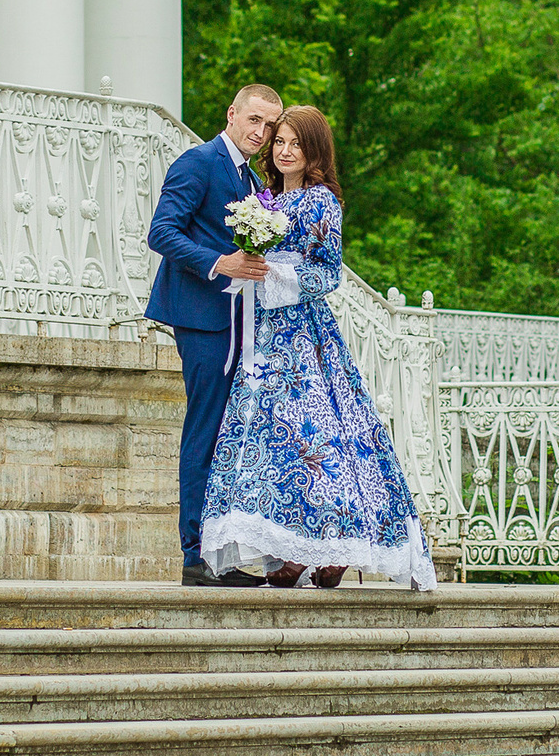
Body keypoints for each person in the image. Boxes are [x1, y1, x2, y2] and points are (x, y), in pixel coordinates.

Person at [198, 105, 436, 592]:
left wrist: (274, 276)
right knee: (269, 443)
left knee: (315, 437)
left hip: (302, 336)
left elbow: (327, 273)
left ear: (313, 152)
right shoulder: (262, 200)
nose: (285, 151)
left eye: (295, 144)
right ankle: (291, 550)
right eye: (279, 142)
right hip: (260, 334)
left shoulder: (320, 202)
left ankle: (334, 548)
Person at [145, 83, 283, 586]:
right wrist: (217, 263)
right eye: (254, 121)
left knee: (232, 436)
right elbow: (162, 231)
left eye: (269, 126)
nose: (261, 133)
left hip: (241, 322)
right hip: (202, 318)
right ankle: (193, 556)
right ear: (232, 114)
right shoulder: (198, 162)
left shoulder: (250, 179)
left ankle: (221, 555)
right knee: (204, 430)